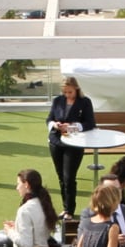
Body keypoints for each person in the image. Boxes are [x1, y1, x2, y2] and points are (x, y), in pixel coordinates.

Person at [47, 76, 97, 215]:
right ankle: (65, 208)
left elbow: (90, 123)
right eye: (65, 92)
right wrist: (55, 125)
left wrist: (72, 127)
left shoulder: (85, 102)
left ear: (76, 89)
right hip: (56, 142)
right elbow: (49, 119)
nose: (67, 95)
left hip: (75, 144)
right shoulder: (58, 101)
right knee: (61, 177)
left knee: (69, 177)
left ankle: (70, 210)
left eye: (70, 92)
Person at [5, 168, 58, 247]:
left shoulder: (25, 210)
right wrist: (17, 227)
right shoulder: (43, 203)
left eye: (18, 184)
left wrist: (10, 231)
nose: (17, 188)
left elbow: (26, 244)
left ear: (26, 184)